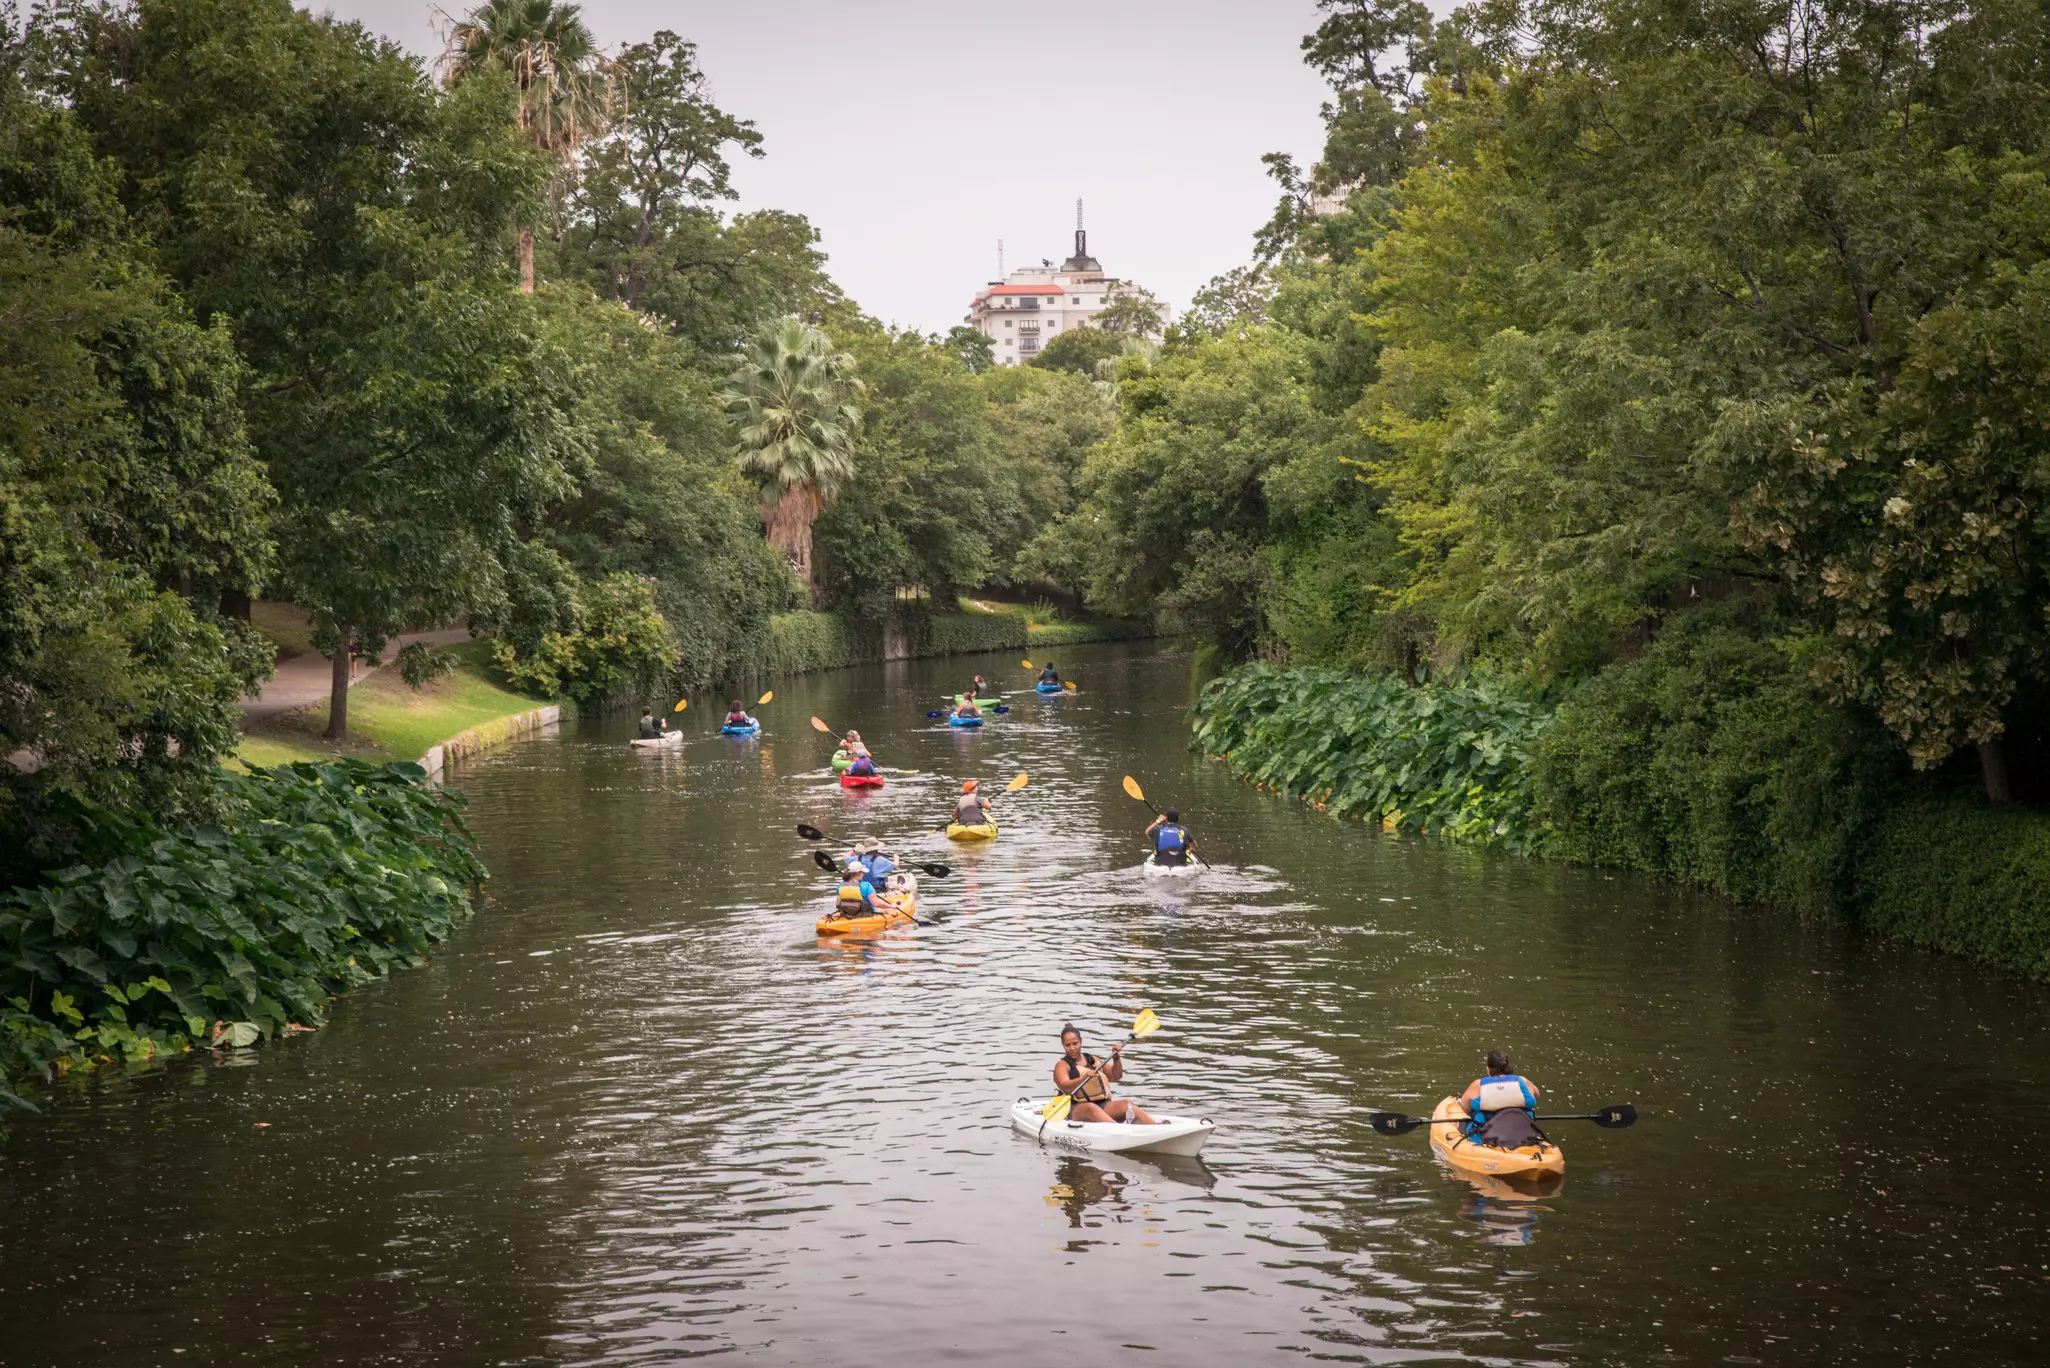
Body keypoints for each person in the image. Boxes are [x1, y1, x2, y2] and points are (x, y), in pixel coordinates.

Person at [1054, 1024, 1163, 1125]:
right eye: (1068, 1045)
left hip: (1101, 1105)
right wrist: (1083, 1078)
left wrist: (1116, 1058)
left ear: (1080, 1042)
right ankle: (1121, 1131)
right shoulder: (1062, 1065)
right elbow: (1064, 1085)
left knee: (1126, 1104)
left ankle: (1154, 1127)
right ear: (1063, 1046)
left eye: (1075, 1043)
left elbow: (1116, 1075)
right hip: (1075, 1109)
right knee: (1091, 1108)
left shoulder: (1093, 1060)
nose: (1072, 1048)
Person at [1458, 1050, 1544, 1148]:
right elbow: (1537, 1094)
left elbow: (1464, 1108)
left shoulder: (1478, 1085)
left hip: (1486, 1138)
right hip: (1524, 1136)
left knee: (1463, 1123)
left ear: (1488, 1068)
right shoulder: (1521, 1081)